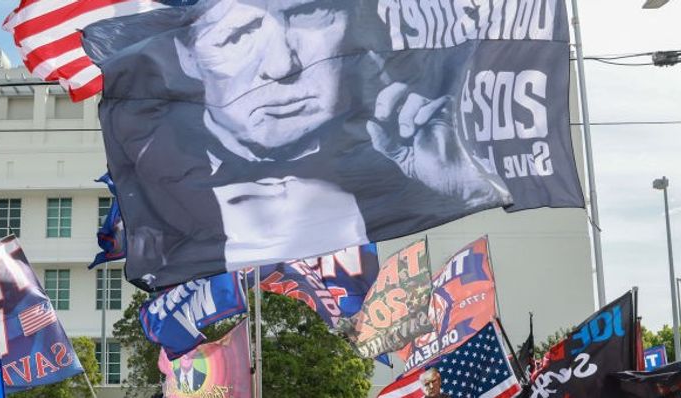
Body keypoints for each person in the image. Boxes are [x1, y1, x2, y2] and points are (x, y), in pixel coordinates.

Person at [84, 0, 510, 290]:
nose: (283, 65)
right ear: (188, 58)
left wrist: (469, 180)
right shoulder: (167, 189)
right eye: (237, 36)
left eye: (309, 16)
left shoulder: (412, 148)